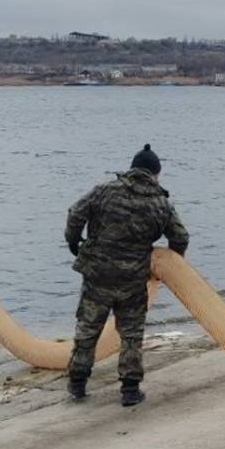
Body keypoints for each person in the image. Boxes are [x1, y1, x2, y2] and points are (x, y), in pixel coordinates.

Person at [65, 144, 189, 406]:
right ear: (156, 174)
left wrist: (74, 243)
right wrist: (169, 265)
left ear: (132, 169)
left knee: (88, 327)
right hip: (133, 278)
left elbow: (75, 213)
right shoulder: (161, 204)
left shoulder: (104, 191)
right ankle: (130, 389)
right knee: (132, 333)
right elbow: (180, 237)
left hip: (97, 274)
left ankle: (77, 382)